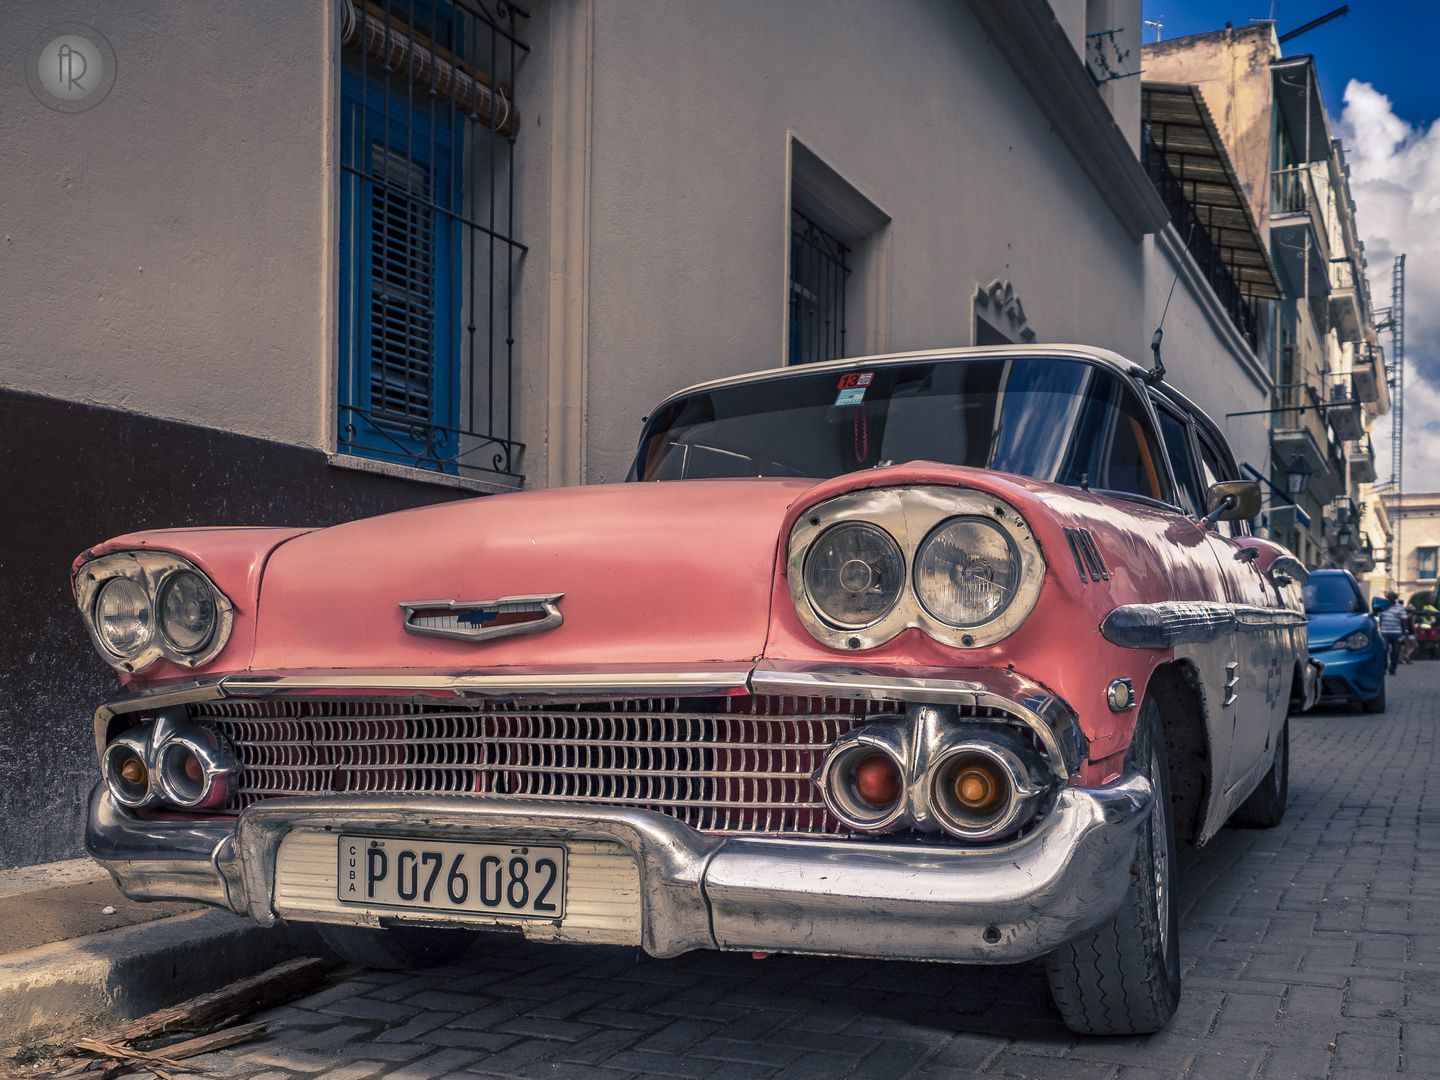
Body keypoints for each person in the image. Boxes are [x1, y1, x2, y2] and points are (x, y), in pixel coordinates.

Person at [1377, 590, 1405, 675]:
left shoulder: (1400, 607)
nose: (1388, 599)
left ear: (1394, 598)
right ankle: (1384, 668)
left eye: (1390, 598)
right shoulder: (1382, 607)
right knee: (1384, 650)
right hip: (1385, 632)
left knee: (1396, 651)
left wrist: (1406, 630)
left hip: (1397, 632)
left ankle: (1392, 669)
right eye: (1387, 597)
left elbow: (1404, 619)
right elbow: (1378, 618)